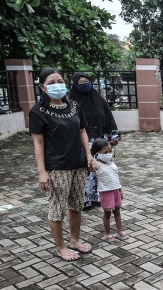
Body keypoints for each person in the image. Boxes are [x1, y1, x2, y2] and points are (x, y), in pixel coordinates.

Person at [29, 68, 99, 261]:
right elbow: (38, 143)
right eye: (51, 83)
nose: (57, 85)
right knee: (57, 207)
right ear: (43, 87)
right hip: (57, 167)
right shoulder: (38, 111)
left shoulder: (74, 106)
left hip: (78, 164)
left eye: (59, 81)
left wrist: (89, 156)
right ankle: (60, 247)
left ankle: (74, 241)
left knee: (76, 205)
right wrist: (42, 171)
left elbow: (82, 132)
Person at [69, 72, 121, 209]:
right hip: (82, 142)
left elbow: (109, 117)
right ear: (74, 85)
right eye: (80, 83)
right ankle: (85, 200)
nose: (84, 84)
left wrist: (113, 137)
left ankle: (101, 197)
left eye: (86, 81)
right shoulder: (71, 104)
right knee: (86, 171)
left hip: (101, 142)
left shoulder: (99, 100)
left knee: (102, 169)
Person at [91, 138, 127, 242]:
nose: (109, 154)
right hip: (106, 192)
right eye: (105, 152)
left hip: (116, 190)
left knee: (117, 211)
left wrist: (120, 190)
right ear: (97, 153)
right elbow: (88, 160)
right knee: (107, 213)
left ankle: (120, 231)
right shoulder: (97, 166)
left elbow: (116, 177)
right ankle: (108, 233)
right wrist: (92, 160)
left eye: (110, 151)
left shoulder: (112, 164)